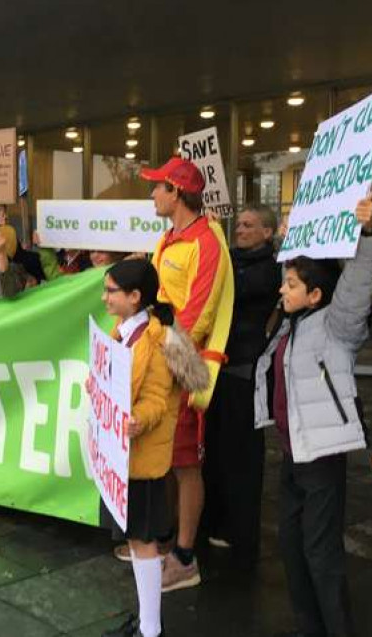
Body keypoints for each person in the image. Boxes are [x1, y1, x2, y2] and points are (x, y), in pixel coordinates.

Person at [256, 194, 372, 637]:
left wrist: (366, 235)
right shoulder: (292, 323)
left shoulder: (336, 325)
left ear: (315, 293)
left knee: (320, 555)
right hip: (294, 455)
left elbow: (356, 286)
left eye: (291, 285)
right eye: (285, 282)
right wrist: (289, 240)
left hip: (322, 459)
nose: (282, 289)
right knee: (292, 549)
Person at [137, 156, 235, 592]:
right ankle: (168, 543)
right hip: (166, 362)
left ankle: (185, 557)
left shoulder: (207, 242)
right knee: (166, 460)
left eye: (158, 187)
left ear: (177, 192)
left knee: (185, 465)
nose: (153, 194)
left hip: (185, 368)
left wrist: (164, 357)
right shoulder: (168, 239)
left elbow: (197, 315)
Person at [98, 258, 208, 637]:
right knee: (135, 541)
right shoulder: (122, 331)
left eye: (111, 291)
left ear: (134, 296)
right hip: (123, 456)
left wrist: (137, 421)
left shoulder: (155, 339)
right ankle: (147, 623)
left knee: (143, 544)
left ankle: (150, 629)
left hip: (141, 458)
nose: (105, 297)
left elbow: (158, 399)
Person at [204, 204, 281, 564]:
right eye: (240, 225)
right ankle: (216, 522)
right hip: (218, 367)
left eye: (250, 226)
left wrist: (213, 243)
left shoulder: (270, 270)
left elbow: (227, 288)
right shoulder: (228, 258)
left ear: (268, 232)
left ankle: (241, 531)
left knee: (242, 456)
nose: (241, 230)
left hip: (245, 371)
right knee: (216, 451)